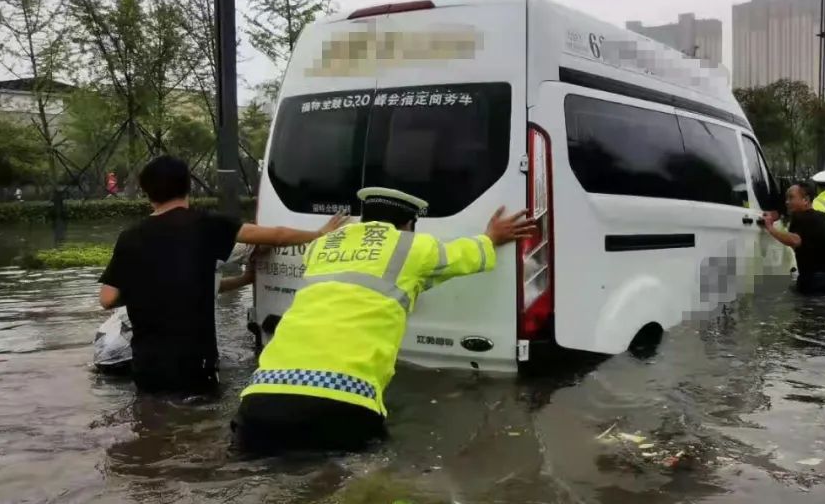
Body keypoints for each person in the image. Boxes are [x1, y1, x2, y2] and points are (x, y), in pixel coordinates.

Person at [231, 187, 536, 455]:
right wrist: (491, 237)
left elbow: (379, 278)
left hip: (260, 401)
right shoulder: (412, 246)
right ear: (409, 224)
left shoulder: (322, 246)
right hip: (341, 400)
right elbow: (466, 255)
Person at [98, 155, 346, 395]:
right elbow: (276, 236)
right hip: (195, 366)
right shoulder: (207, 223)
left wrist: (148, 291)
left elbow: (107, 299)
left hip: (146, 367)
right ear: (188, 186)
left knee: (151, 417)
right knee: (199, 419)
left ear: (146, 192)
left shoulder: (129, 237)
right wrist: (319, 235)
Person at [763, 182, 825, 295]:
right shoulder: (823, 217)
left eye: (791, 198)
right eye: (786, 198)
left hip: (818, 283)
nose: (787, 202)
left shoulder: (801, 218)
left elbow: (795, 240)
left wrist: (770, 228)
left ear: (806, 200)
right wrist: (778, 215)